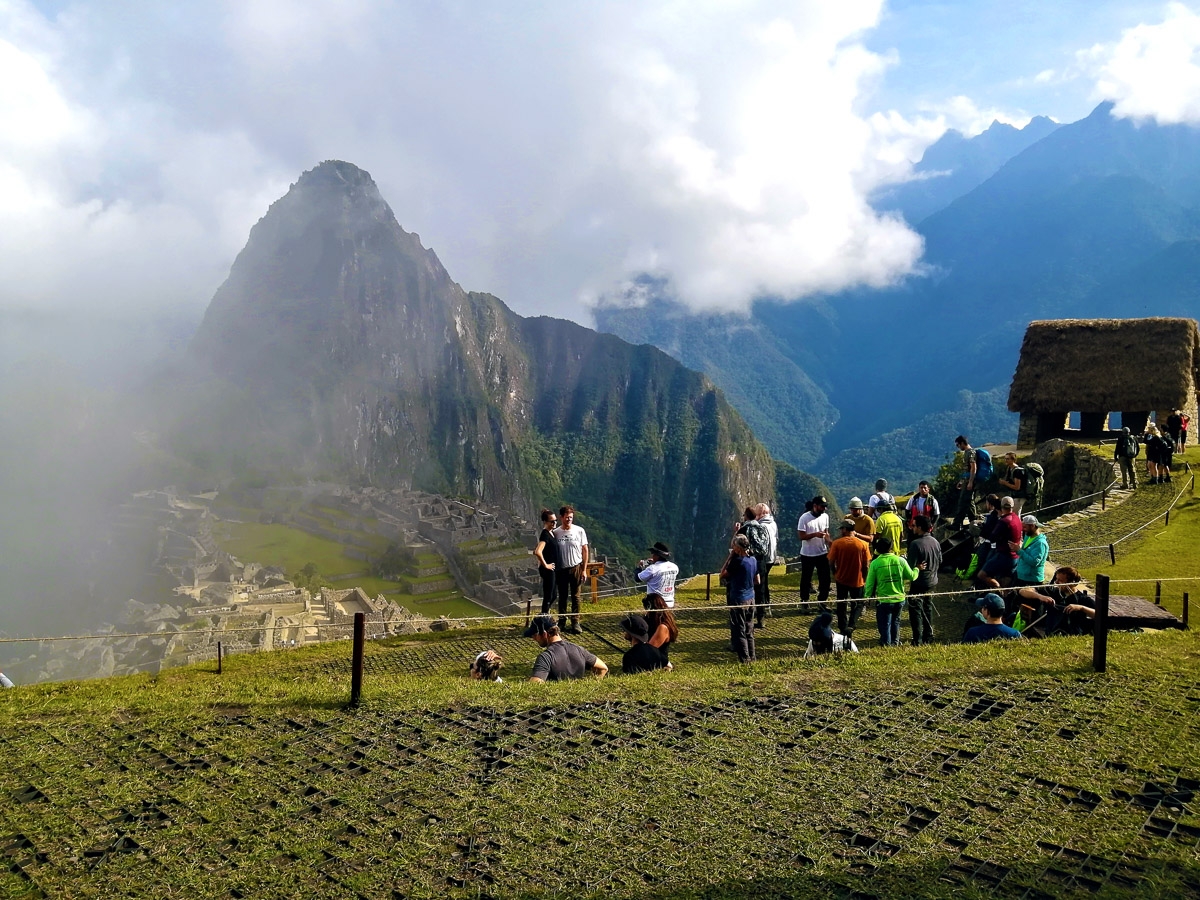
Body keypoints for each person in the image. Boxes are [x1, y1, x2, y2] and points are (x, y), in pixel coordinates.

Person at [864, 536, 920, 647]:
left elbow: (869, 584)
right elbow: (912, 576)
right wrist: (917, 568)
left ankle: (886, 645)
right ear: (891, 548)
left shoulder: (875, 563)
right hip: (899, 599)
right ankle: (895, 643)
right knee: (895, 622)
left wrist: (867, 597)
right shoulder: (900, 560)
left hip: (884, 600)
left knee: (885, 625)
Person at [525, 614, 608, 682]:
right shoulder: (579, 649)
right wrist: (592, 685)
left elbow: (535, 684)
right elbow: (603, 668)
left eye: (535, 635)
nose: (533, 638)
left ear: (544, 634)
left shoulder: (546, 657)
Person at [1018, 565, 1095, 635]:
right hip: (1051, 631)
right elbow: (1023, 591)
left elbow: (1099, 615)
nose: (1056, 582)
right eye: (1056, 579)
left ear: (1072, 583)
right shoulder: (1053, 592)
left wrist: (1081, 608)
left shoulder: (1082, 599)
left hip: (1071, 633)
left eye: (1060, 580)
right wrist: (1040, 596)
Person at [828, 518, 871, 637]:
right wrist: (864, 578)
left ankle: (842, 627)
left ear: (845, 529)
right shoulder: (863, 544)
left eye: (842, 529)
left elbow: (831, 562)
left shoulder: (837, 543)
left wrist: (835, 573)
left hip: (841, 579)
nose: (841, 531)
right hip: (857, 580)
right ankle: (851, 625)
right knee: (857, 604)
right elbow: (866, 565)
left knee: (841, 603)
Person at [721, 534, 758, 663]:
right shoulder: (753, 560)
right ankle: (753, 658)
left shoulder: (737, 562)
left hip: (739, 599)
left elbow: (722, 574)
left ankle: (745, 660)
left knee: (740, 631)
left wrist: (730, 557)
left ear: (738, 547)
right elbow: (757, 580)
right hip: (751, 598)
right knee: (749, 630)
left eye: (734, 546)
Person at [552, 505, 589, 633]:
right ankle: (561, 621)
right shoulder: (556, 533)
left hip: (576, 567)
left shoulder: (579, 531)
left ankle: (575, 622)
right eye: (567, 517)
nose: (569, 519)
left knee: (576, 596)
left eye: (571, 517)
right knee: (562, 596)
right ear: (561, 517)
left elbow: (585, 550)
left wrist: (584, 569)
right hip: (561, 569)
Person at [906, 515, 942, 646]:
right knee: (928, 608)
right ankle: (929, 636)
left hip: (919, 582)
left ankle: (917, 639)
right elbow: (940, 560)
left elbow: (910, 567)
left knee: (915, 611)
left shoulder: (915, 544)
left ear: (920, 528)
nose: (912, 528)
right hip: (932, 581)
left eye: (914, 525)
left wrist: (917, 568)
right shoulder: (935, 541)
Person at [976, 496, 1021, 592]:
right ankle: (1003, 598)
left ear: (1001, 506)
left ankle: (998, 590)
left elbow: (992, 537)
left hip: (1003, 555)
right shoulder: (1017, 518)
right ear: (1012, 506)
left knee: (982, 575)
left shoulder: (1004, 521)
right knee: (1006, 579)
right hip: (1015, 557)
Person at [795, 496, 832, 613]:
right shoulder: (804, 518)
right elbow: (801, 536)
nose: (824, 509)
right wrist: (815, 534)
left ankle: (822, 602)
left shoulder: (825, 517)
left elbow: (826, 533)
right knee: (806, 579)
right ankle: (804, 602)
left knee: (825, 579)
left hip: (822, 552)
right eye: (822, 507)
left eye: (825, 507)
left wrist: (830, 542)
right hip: (807, 554)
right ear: (815, 506)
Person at [739, 509, 773, 627]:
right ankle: (761, 618)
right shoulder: (763, 528)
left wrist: (736, 531)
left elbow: (736, 545)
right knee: (761, 590)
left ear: (746, 517)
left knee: (745, 589)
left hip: (748, 563)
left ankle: (746, 617)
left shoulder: (744, 529)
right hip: (761, 562)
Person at [754, 502, 780, 626]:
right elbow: (776, 539)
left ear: (759, 514)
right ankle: (767, 606)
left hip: (763, 558)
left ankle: (761, 611)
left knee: (760, 585)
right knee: (765, 582)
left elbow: (759, 545)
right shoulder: (773, 523)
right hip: (772, 557)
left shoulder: (760, 526)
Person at [1009, 515, 1049, 588]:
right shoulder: (1028, 536)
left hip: (1031, 580)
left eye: (1025, 527)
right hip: (1021, 576)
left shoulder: (1040, 543)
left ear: (1032, 526)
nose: (1023, 529)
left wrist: (1019, 551)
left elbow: (1034, 562)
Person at [637, 542, 679, 609]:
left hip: (655, 604)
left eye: (653, 554)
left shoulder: (652, 569)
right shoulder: (674, 567)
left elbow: (638, 578)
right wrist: (654, 563)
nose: (652, 555)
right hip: (670, 603)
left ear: (657, 556)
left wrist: (639, 567)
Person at [951, 435, 981, 529]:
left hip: (969, 481)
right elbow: (966, 470)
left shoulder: (971, 452)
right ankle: (973, 521)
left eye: (958, 445)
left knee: (963, 501)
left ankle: (956, 524)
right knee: (969, 501)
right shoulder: (967, 453)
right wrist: (961, 481)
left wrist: (970, 482)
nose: (958, 447)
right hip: (966, 481)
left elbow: (973, 467)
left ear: (963, 443)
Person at [534, 508, 559, 615]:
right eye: (552, 521)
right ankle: (544, 617)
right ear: (545, 522)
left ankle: (545, 614)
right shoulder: (545, 534)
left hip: (553, 568)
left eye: (555, 520)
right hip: (548, 570)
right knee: (549, 595)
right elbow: (537, 551)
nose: (554, 523)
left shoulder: (551, 533)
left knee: (553, 595)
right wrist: (546, 565)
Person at [645, 594, 679, 667]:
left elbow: (650, 649)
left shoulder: (663, 627)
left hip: (658, 662)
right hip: (649, 659)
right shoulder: (650, 621)